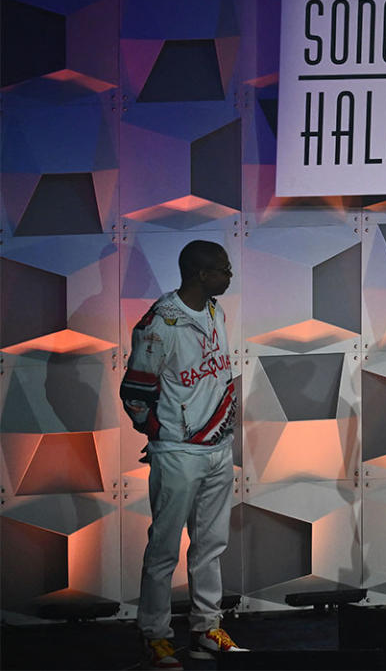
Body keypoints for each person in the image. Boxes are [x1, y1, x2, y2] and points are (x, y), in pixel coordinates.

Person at [120, 240, 246, 669]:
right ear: (201, 274)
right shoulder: (161, 324)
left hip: (218, 447)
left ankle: (205, 628)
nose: (229, 276)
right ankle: (154, 635)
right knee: (165, 549)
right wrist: (161, 434)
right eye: (223, 270)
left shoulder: (215, 311)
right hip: (179, 452)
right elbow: (136, 391)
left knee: (210, 545)